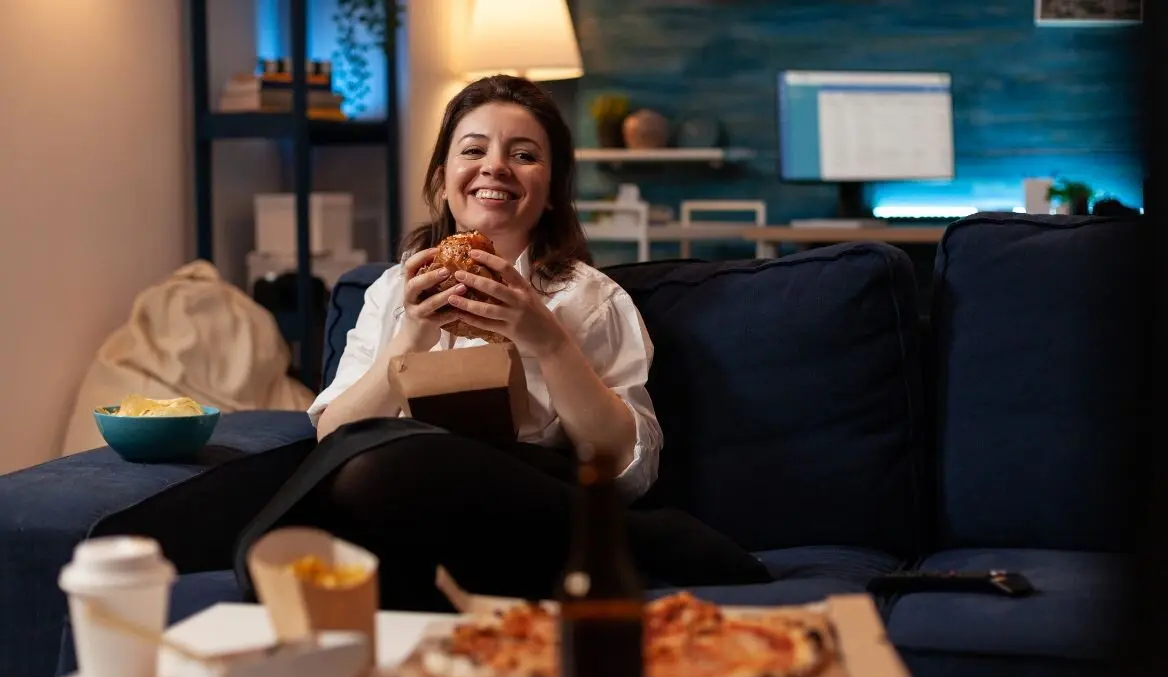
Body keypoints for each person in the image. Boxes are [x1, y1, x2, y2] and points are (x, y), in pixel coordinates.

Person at [234, 75, 772, 611]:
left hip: (522, 511)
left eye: (524, 154)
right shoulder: (394, 291)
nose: (495, 166)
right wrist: (413, 334)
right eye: (474, 149)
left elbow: (625, 468)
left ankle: (637, 538)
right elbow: (333, 435)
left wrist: (548, 340)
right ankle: (643, 540)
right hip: (404, 523)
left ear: (553, 190)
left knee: (386, 465)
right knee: (307, 474)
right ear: (443, 181)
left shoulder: (589, 300)